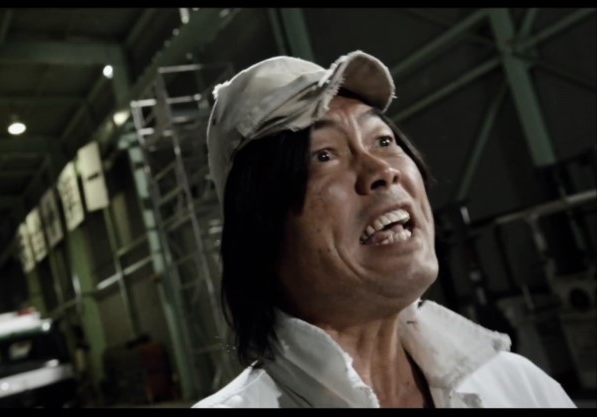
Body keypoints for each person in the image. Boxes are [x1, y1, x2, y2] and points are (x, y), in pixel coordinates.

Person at [192, 50, 576, 408]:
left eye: (384, 140)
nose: (383, 170)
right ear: (258, 230)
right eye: (324, 155)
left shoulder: (519, 387)